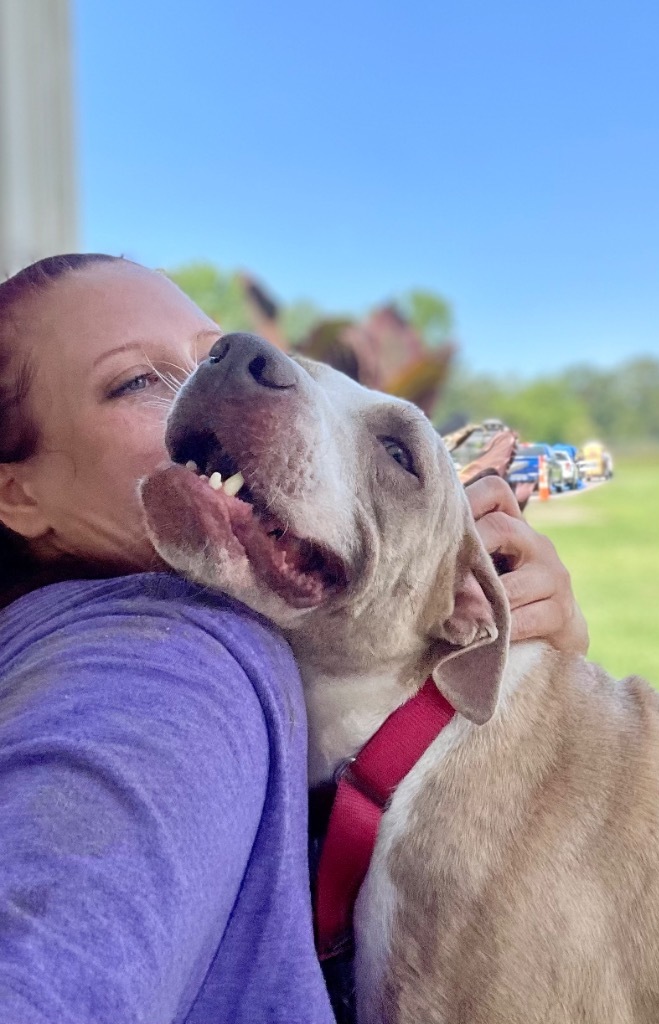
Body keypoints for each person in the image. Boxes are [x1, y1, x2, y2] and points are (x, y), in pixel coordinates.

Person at [0, 254, 589, 1023]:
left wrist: (541, 660)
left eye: (210, 350)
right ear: (17, 494)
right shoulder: (167, 661)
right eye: (135, 382)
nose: (221, 374)